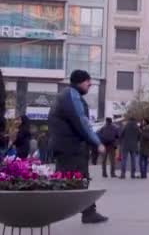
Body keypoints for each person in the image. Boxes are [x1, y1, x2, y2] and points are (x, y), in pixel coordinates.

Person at [48, 70, 108, 224]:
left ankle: (88, 212)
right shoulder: (71, 95)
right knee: (71, 180)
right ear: (80, 81)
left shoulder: (67, 95)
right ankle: (88, 213)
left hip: (66, 147)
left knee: (70, 180)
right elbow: (81, 122)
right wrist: (97, 142)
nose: (90, 85)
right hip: (71, 148)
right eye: (88, 82)